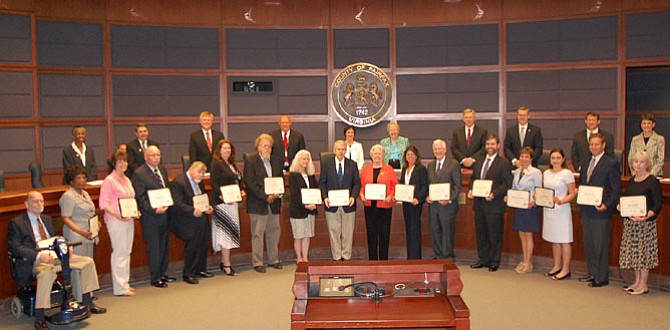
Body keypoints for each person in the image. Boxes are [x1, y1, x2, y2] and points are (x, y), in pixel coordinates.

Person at [8, 191, 106, 330]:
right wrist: (38, 256)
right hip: (36, 260)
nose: (39, 204)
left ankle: (87, 301)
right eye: (36, 201)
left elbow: (55, 238)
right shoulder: (17, 223)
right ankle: (40, 316)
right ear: (26, 204)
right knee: (47, 273)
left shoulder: (47, 219)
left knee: (87, 262)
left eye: (41, 201)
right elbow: (16, 248)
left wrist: (66, 245)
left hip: (55, 256)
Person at [577, 133, 621, 287]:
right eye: (591, 144)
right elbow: (583, 183)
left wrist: (606, 205)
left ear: (603, 146)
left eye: (597, 144)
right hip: (586, 209)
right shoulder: (586, 161)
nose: (593, 147)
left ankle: (601, 277)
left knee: (600, 245)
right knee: (589, 244)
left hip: (601, 211)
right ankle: (592, 273)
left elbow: (616, 190)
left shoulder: (611, 163)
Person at [618, 151, 662, 295]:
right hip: (631, 223)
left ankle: (644, 284)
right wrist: (620, 207)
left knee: (644, 254)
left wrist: (646, 216)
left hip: (645, 224)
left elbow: (657, 204)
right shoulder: (632, 180)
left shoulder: (652, 181)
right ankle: (637, 282)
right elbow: (627, 200)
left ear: (647, 163)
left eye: (642, 162)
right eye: (636, 161)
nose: (638, 164)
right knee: (634, 254)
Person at [467, 134, 513, 272]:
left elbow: (507, 183)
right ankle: (483, 259)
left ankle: (494, 261)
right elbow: (473, 179)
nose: (490, 147)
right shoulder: (479, 161)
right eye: (488, 144)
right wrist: (470, 190)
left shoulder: (504, 163)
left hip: (495, 205)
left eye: (493, 144)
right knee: (481, 233)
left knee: (494, 234)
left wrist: (494, 193)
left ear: (498, 146)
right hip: (480, 204)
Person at [132, 145, 174, 288]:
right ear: (145, 157)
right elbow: (140, 198)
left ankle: (162, 273)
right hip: (151, 217)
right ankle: (155, 277)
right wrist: (154, 209)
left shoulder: (162, 169)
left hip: (165, 214)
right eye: (152, 155)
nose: (156, 158)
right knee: (154, 247)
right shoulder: (139, 173)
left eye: (158, 155)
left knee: (164, 245)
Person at [99, 150, 138, 296]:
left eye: (125, 161)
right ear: (114, 164)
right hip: (116, 221)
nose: (123, 164)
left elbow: (131, 199)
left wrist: (135, 211)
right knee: (119, 252)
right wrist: (118, 214)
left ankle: (125, 284)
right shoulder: (109, 181)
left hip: (129, 220)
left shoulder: (127, 180)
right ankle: (120, 287)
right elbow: (103, 204)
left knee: (127, 251)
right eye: (120, 161)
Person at [243, 133, 284, 273]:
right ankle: (258, 262)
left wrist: (278, 193)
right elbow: (250, 183)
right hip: (258, 203)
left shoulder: (277, 161)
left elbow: (280, 181)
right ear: (258, 147)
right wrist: (266, 197)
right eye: (264, 146)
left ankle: (273, 259)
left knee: (274, 231)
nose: (267, 149)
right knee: (258, 234)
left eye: (270, 146)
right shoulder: (251, 160)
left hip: (274, 204)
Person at [169, 161, 214, 285]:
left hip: (200, 217)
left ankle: (200, 269)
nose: (201, 175)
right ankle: (188, 273)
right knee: (193, 245)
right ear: (191, 169)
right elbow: (177, 203)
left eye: (203, 173)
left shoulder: (198, 183)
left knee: (203, 242)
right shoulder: (179, 182)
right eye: (199, 172)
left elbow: (203, 197)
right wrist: (192, 211)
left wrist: (208, 207)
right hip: (185, 219)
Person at [319, 140, 361, 261]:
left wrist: (353, 196)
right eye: (338, 149)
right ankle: (336, 257)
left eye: (343, 149)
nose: (341, 151)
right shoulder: (327, 164)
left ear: (346, 150)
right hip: (331, 204)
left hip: (349, 204)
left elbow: (357, 184)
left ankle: (346, 257)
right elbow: (322, 183)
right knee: (334, 232)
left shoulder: (352, 164)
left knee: (348, 233)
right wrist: (325, 197)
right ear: (334, 150)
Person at [210, 139, 244, 276]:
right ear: (219, 150)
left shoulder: (232, 164)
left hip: (233, 203)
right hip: (223, 204)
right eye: (224, 148)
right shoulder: (217, 164)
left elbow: (238, 180)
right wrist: (222, 196)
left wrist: (241, 190)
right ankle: (227, 265)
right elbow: (214, 184)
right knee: (226, 234)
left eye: (229, 148)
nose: (227, 151)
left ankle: (226, 262)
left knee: (230, 233)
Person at [541, 148, 576, 281]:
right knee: (554, 239)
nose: (555, 160)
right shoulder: (546, 173)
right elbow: (544, 191)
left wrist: (561, 201)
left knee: (564, 240)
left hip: (562, 210)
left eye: (558, 158)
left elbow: (573, 193)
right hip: (549, 210)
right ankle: (556, 266)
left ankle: (566, 269)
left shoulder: (567, 173)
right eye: (553, 158)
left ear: (563, 159)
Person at [360, 144, 398, 260]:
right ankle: (372, 260)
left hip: (385, 206)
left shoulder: (389, 169)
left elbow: (394, 186)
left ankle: (383, 260)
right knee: (371, 234)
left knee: (384, 234)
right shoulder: (366, 169)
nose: (377, 155)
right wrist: (361, 195)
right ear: (371, 156)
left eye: (379, 153)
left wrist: (390, 196)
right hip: (370, 206)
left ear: (383, 155)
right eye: (375, 153)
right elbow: (362, 186)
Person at [508, 147, 542, 274]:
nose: (524, 159)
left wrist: (533, 201)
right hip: (519, 206)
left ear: (531, 158)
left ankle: (528, 262)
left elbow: (538, 190)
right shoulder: (516, 172)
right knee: (522, 235)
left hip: (530, 207)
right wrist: (509, 197)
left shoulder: (536, 172)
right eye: (522, 156)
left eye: (527, 156)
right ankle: (524, 260)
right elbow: (513, 188)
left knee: (528, 235)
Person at [426, 139, 461, 260]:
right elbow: (427, 185)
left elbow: (457, 186)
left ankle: (448, 256)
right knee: (435, 230)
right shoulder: (430, 165)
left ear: (445, 150)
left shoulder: (454, 164)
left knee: (447, 231)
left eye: (440, 149)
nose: (437, 151)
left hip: (448, 206)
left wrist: (449, 199)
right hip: (434, 205)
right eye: (435, 149)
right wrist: (427, 196)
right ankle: (438, 254)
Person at [59, 165, 97, 258]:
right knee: (78, 267)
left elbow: (90, 211)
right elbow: (66, 218)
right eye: (78, 178)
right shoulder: (68, 196)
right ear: (71, 181)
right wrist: (81, 231)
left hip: (89, 234)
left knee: (88, 265)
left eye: (84, 177)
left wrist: (96, 224)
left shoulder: (85, 193)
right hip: (76, 236)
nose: (82, 180)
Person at [288, 150, 318, 263]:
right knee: (298, 235)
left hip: (310, 210)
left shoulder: (310, 175)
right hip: (298, 210)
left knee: (307, 235)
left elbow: (316, 190)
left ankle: (305, 257)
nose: (305, 161)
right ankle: (299, 258)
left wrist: (314, 202)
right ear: (298, 160)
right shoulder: (293, 175)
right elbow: (294, 194)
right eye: (303, 159)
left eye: (307, 159)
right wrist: (305, 205)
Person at [399, 145, 428, 259]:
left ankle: (416, 256)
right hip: (406, 204)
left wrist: (419, 199)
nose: (410, 157)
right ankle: (410, 256)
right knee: (408, 229)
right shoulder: (404, 169)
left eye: (412, 154)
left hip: (415, 204)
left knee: (415, 229)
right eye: (408, 155)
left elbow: (424, 186)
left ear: (416, 156)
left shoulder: (421, 169)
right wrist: (399, 195)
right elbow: (402, 185)